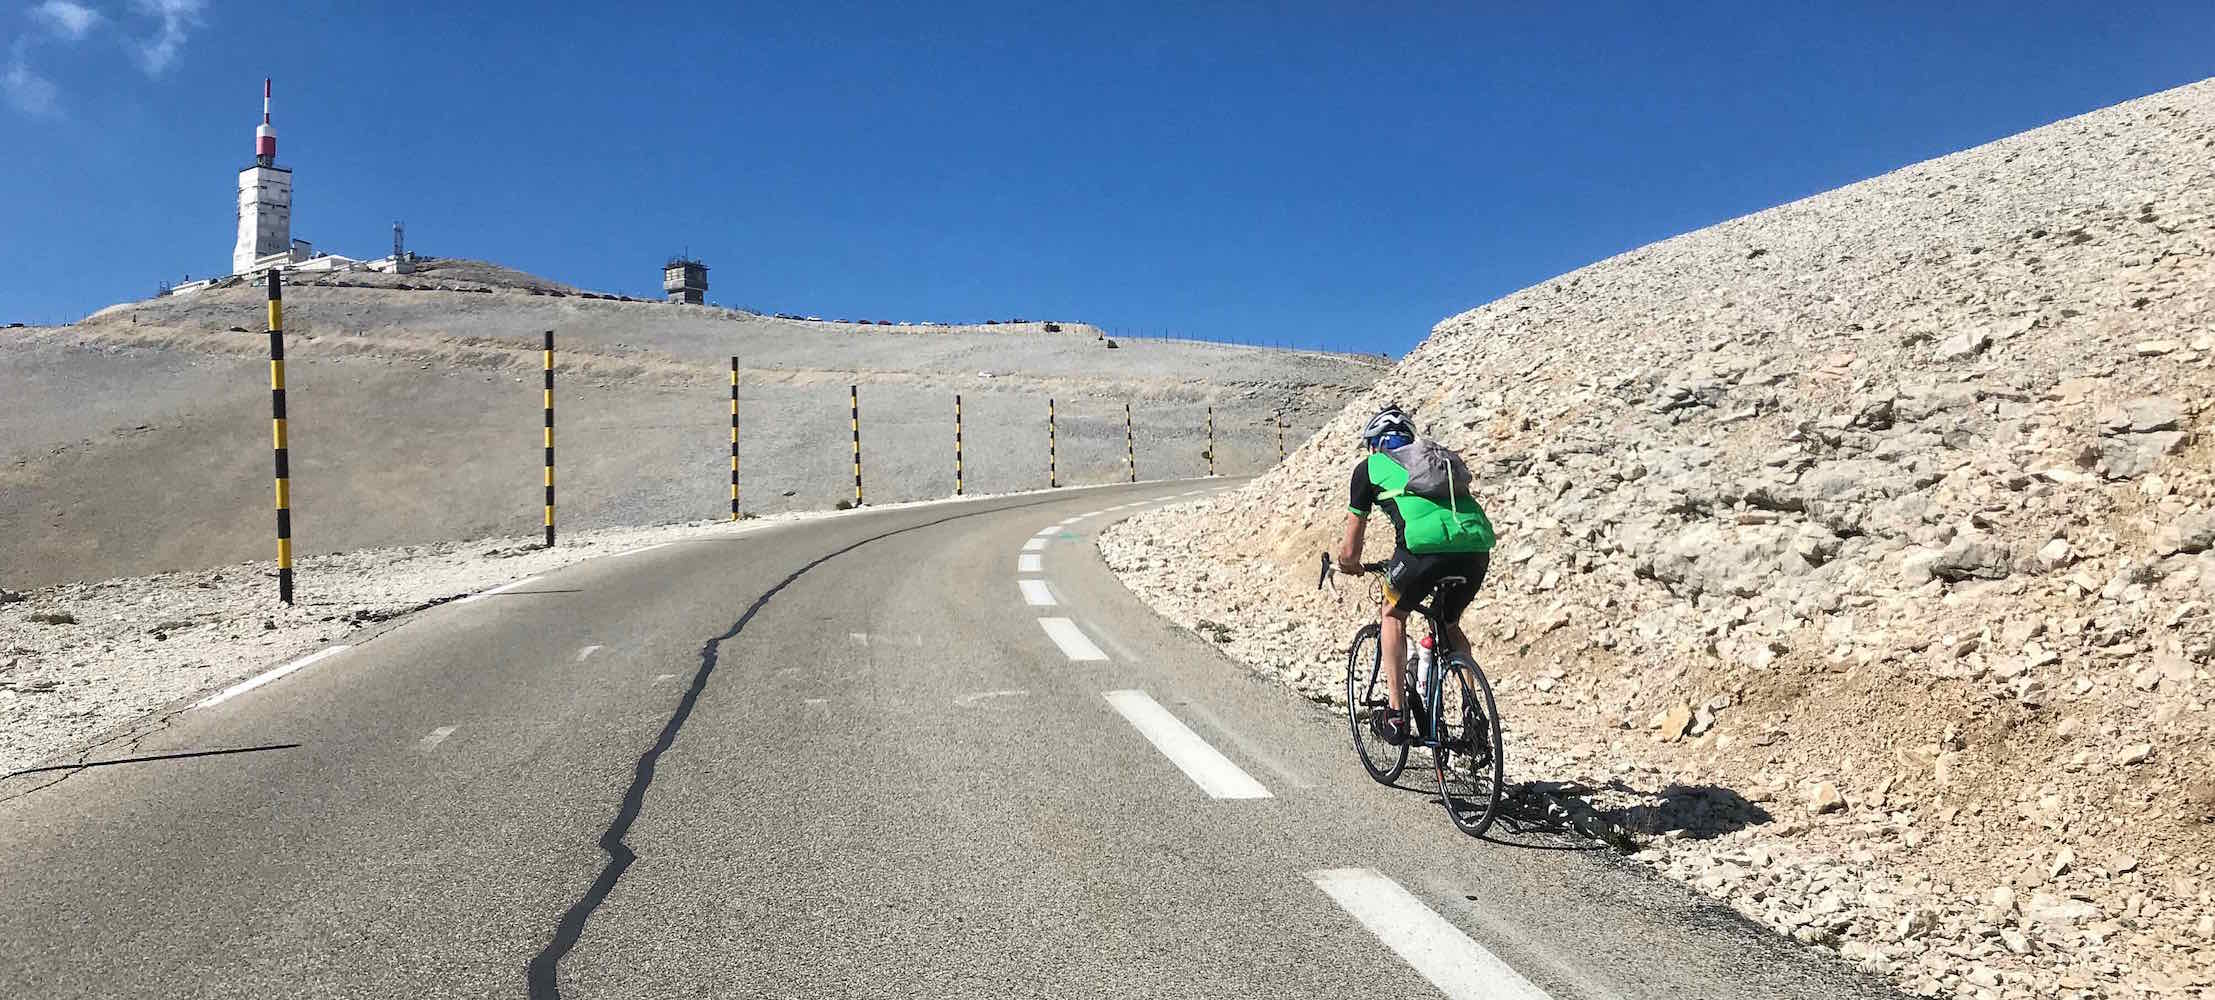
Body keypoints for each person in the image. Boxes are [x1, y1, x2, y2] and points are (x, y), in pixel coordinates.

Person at [1336, 404, 1496, 746]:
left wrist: (1348, 564)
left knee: (1393, 614)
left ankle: (1396, 714)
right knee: (1448, 625)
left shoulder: (1371, 467)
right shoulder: (1435, 461)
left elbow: (1351, 550)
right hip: (1475, 549)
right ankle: (1473, 711)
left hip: (1421, 551)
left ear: (1375, 444)